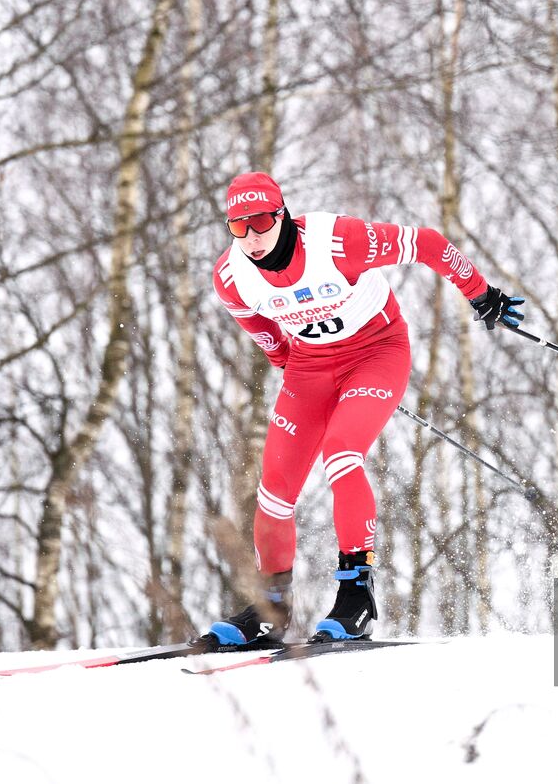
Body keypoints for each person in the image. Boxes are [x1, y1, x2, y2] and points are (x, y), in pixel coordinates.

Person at [199, 172, 525, 647]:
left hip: (376, 353)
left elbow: (428, 244)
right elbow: (252, 320)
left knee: (341, 454)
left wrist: (480, 293)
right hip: (310, 370)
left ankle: (357, 596)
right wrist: (280, 355)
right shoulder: (231, 275)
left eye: (262, 222)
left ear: (282, 213)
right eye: (238, 227)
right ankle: (270, 608)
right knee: (274, 487)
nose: (252, 237)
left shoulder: (338, 243)